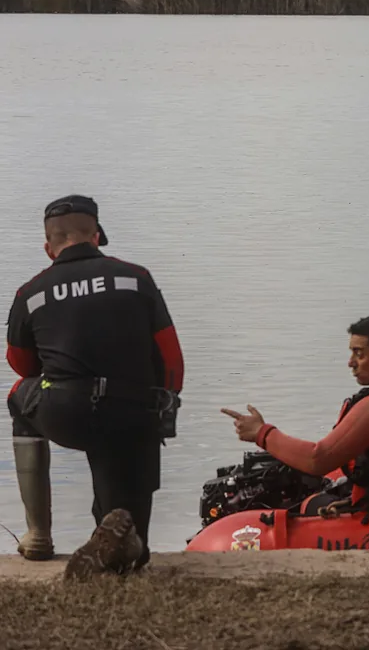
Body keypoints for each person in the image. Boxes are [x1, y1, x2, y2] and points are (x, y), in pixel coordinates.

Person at [6, 194, 184, 577]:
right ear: (98, 236)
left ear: (48, 247)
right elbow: (171, 360)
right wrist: (162, 407)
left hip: (64, 411)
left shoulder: (31, 293)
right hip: (131, 414)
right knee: (132, 541)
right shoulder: (136, 278)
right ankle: (120, 535)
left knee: (19, 396)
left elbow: (21, 365)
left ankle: (39, 534)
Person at [221, 314, 369, 516]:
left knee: (306, 505)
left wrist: (261, 433)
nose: (350, 363)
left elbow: (318, 459)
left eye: (359, 353)